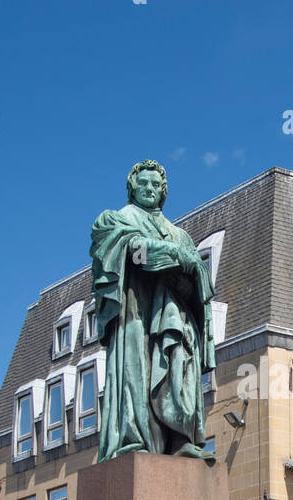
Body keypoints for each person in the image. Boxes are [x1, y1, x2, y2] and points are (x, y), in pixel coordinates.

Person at [90, 159, 216, 459]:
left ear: (164, 192)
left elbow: (200, 285)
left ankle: (180, 439)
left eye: (155, 185)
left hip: (174, 315)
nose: (149, 188)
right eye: (143, 183)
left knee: (179, 373)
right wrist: (172, 255)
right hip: (135, 313)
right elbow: (132, 252)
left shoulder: (180, 234)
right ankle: (134, 439)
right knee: (136, 376)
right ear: (131, 187)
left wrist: (191, 273)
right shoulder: (116, 220)